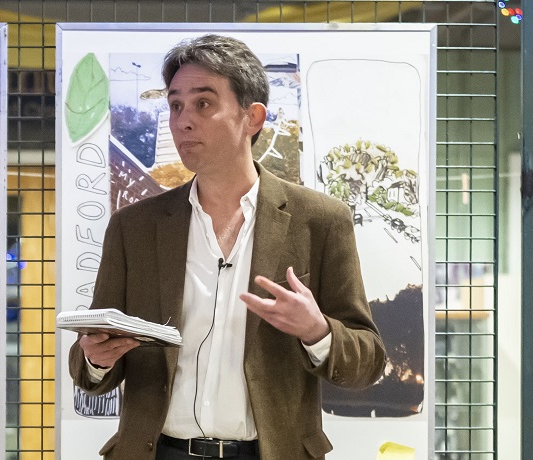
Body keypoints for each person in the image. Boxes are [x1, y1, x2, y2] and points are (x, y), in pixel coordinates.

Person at [69, 34, 386, 460]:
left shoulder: (320, 220)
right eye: (175, 105)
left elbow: (367, 361)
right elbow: (90, 367)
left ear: (252, 117)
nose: (183, 120)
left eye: (203, 103)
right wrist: (95, 358)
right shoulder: (134, 227)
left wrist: (318, 331)